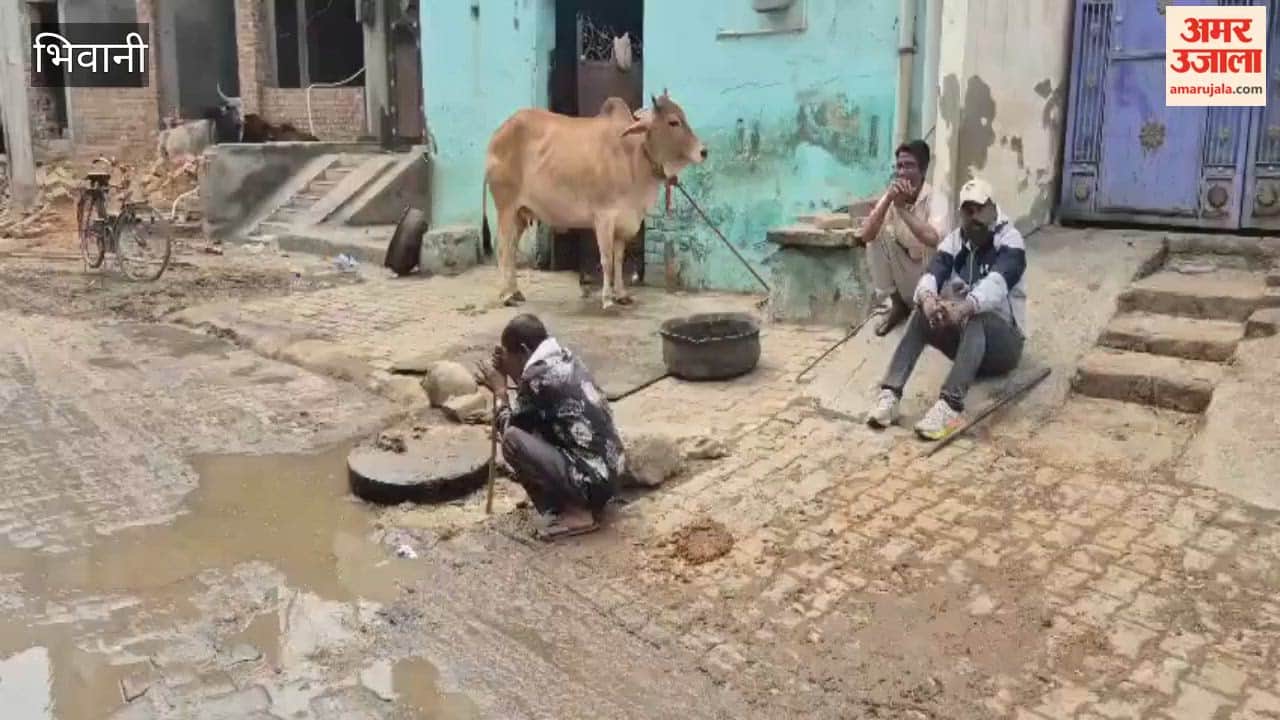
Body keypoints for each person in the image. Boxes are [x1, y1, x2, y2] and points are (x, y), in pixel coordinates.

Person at [867, 177, 1028, 441]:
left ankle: (951, 405)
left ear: (991, 208)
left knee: (977, 317)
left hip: (1005, 345)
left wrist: (963, 308)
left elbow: (997, 284)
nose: (973, 216)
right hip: (969, 345)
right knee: (922, 313)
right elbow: (933, 273)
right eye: (967, 210)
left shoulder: (1010, 241)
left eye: (978, 209)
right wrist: (930, 300)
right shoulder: (956, 240)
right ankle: (890, 395)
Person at [473, 314, 626, 540]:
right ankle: (576, 502)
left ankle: (578, 513)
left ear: (524, 350)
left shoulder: (536, 378)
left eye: (510, 355)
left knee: (513, 440)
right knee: (534, 431)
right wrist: (513, 369)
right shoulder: (564, 358)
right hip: (611, 474)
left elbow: (510, 426)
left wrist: (500, 392)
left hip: (593, 484)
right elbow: (533, 409)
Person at [856, 139, 951, 336]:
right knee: (878, 234)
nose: (902, 172)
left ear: (923, 170)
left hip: (933, 278)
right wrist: (888, 201)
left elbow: (932, 238)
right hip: (905, 274)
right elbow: (866, 235)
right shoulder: (894, 194)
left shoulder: (937, 198)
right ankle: (897, 305)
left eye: (909, 166)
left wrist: (901, 209)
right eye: (899, 166)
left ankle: (925, 309)